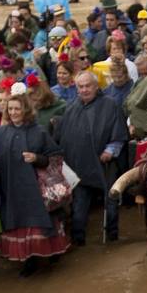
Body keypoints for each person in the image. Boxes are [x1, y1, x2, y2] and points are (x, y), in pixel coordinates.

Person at [0, 90, 68, 277]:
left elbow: (54, 157)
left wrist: (37, 158)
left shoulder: (39, 131)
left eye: (17, 109)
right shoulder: (0, 133)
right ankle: (29, 260)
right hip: (11, 188)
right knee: (18, 222)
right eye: (10, 109)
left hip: (35, 188)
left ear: (26, 110)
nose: (13, 112)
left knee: (40, 222)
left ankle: (48, 254)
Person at [54, 71, 127, 246]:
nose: (84, 90)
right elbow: (63, 135)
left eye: (88, 86)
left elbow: (119, 133)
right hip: (79, 164)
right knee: (79, 203)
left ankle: (112, 236)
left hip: (104, 163)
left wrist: (110, 150)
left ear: (96, 86)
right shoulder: (72, 107)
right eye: (81, 86)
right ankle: (78, 238)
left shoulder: (110, 105)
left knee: (110, 199)